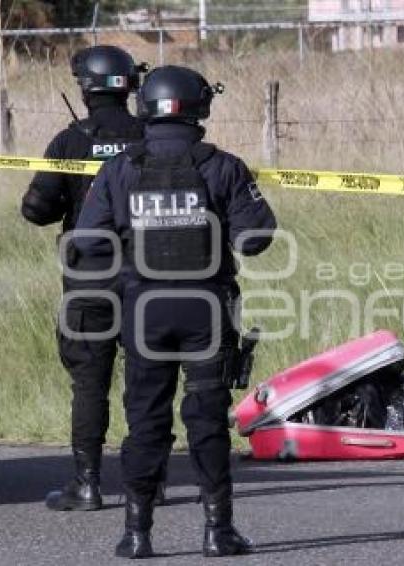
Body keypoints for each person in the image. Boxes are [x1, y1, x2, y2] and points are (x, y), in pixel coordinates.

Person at [74, 65, 277, 558]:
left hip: (144, 311)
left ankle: (136, 534)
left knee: (145, 422)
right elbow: (257, 239)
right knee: (207, 420)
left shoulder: (120, 168)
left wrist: (128, 264)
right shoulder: (223, 166)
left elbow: (87, 245)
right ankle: (217, 531)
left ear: (146, 106)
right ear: (198, 107)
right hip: (205, 310)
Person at [20, 45, 166, 511]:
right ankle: (152, 484)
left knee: (89, 382)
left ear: (85, 87)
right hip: (149, 278)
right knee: (149, 380)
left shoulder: (70, 141)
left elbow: (36, 210)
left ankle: (87, 485)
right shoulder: (152, 137)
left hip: (90, 281)